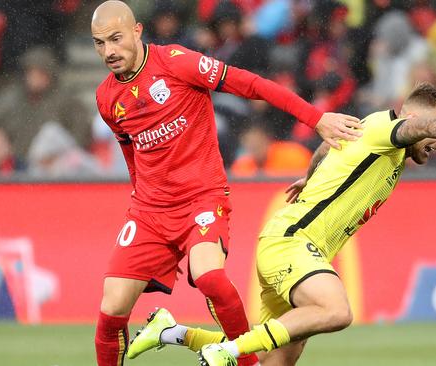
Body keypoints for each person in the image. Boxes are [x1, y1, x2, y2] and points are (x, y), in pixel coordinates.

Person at [130, 83, 436, 366]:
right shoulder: (387, 128)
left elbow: (330, 142)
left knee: (271, 354)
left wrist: (312, 176)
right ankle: (226, 354)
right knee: (336, 310)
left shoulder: (372, 135)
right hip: (293, 243)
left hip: (291, 246)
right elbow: (428, 127)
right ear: (412, 117)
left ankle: (170, 331)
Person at [90, 2, 363, 366]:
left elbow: (252, 84)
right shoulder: (107, 98)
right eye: (99, 43)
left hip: (201, 198)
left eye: (115, 39)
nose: (108, 51)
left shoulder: (177, 63)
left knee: (211, 278)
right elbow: (131, 152)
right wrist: (140, 196)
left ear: (137, 31)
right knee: (110, 311)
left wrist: (316, 119)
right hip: (149, 210)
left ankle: (244, 362)